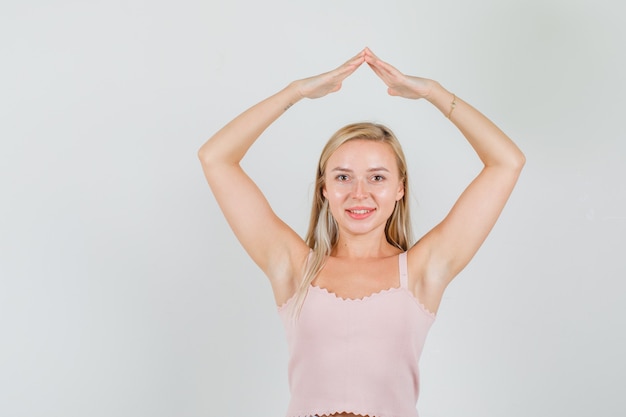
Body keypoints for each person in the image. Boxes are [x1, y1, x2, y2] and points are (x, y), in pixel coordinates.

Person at [198, 48, 525, 417]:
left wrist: (432, 92)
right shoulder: (292, 267)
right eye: (343, 177)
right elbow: (216, 158)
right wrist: (295, 92)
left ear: (400, 188)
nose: (359, 193)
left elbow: (507, 162)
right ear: (324, 188)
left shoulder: (422, 271)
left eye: (377, 178)